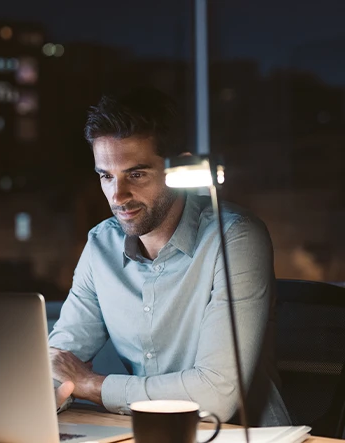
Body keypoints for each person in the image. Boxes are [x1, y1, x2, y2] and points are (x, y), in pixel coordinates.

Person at [48, 88, 290, 426]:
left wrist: (93, 385)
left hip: (240, 434)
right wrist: (51, 389)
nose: (117, 196)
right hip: (145, 433)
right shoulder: (101, 244)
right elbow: (56, 362)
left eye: (136, 174)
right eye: (106, 176)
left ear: (178, 168)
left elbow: (215, 396)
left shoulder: (234, 238)